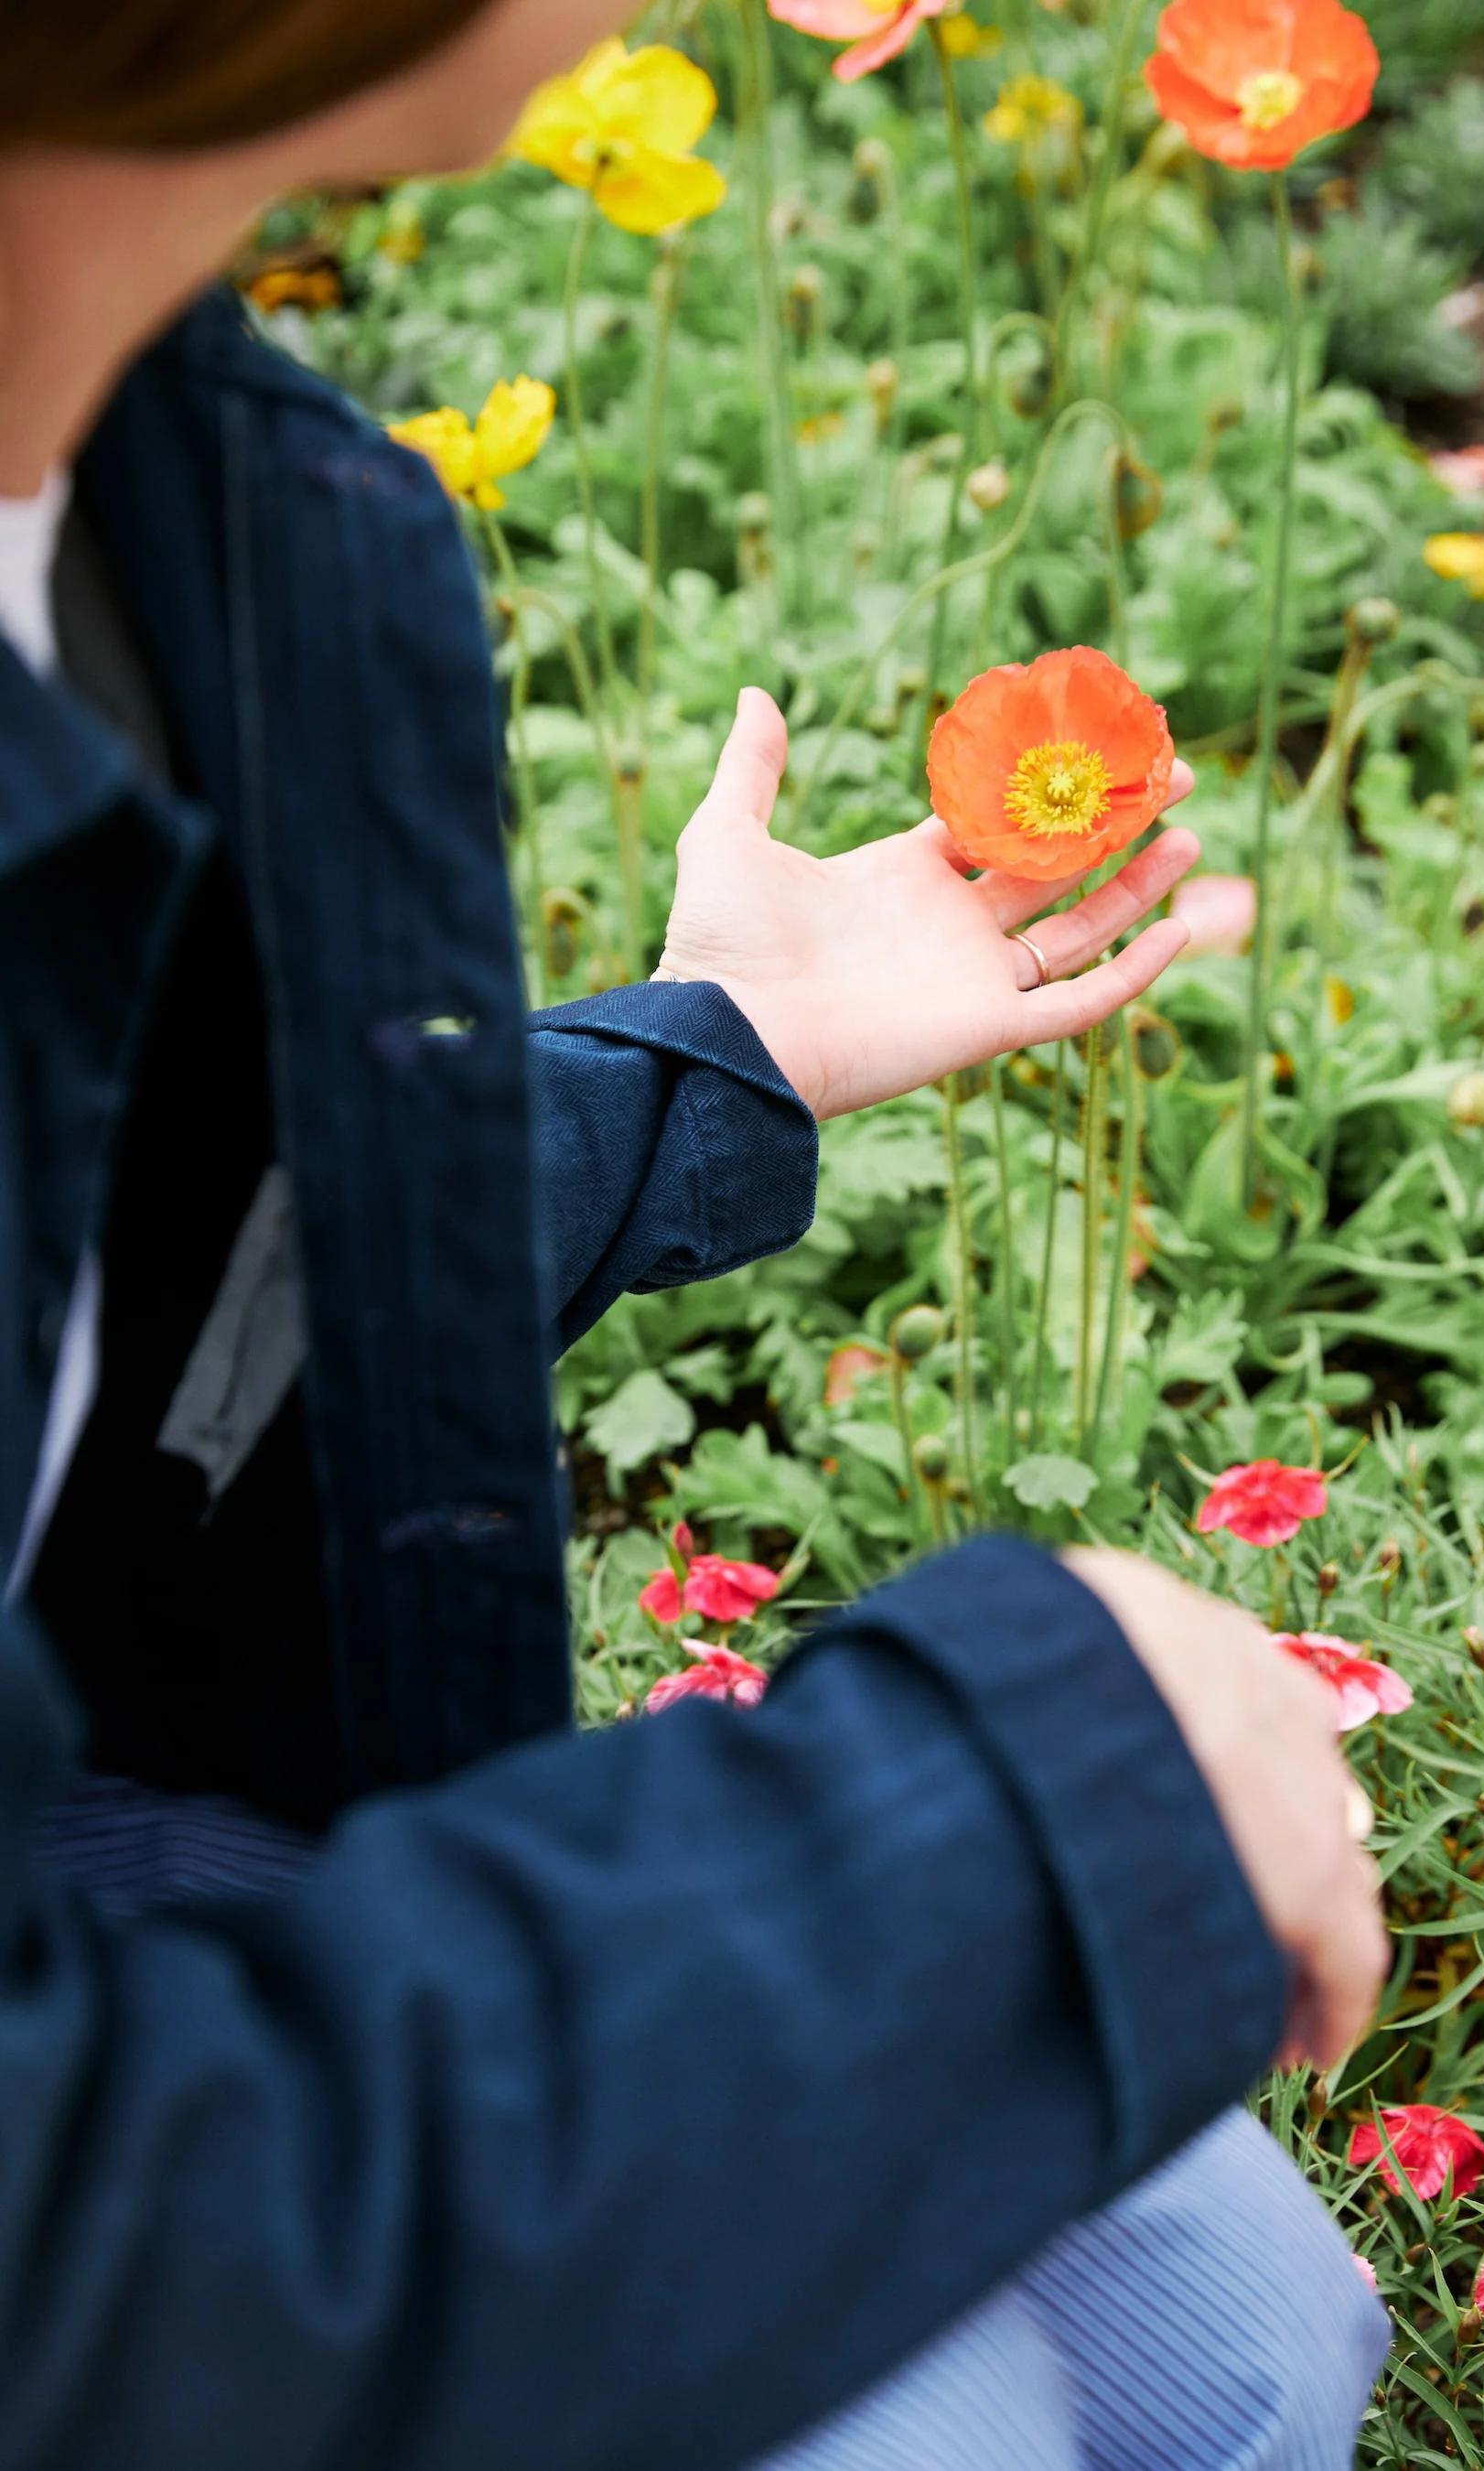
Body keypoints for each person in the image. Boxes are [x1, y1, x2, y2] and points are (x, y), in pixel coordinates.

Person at [0, 3, 1390, 2464]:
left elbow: (148, 1337)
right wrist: (1025, 1801)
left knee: (1234, 2318)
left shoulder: (200, 507)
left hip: (145, 1808)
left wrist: (701, 1048)